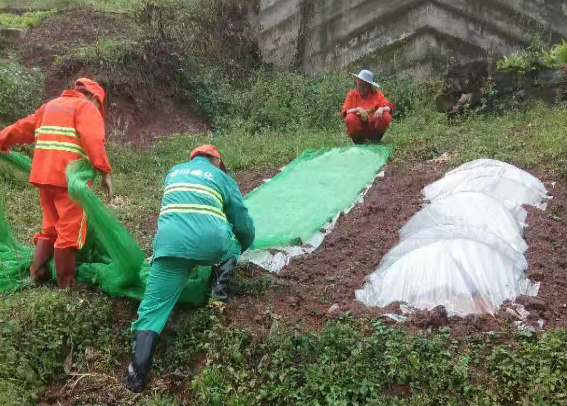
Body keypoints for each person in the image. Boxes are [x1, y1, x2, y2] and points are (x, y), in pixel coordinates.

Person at [124, 144, 255, 393]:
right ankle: (218, 292)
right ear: (216, 161)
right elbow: (242, 223)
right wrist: (242, 246)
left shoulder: (173, 172)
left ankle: (136, 376)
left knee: (152, 311)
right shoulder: (222, 177)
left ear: (192, 159)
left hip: (168, 246)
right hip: (210, 245)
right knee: (234, 241)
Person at [0, 78, 113, 288]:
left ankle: (38, 272)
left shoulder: (49, 107)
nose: (98, 110)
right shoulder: (85, 108)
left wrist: (2, 139)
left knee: (50, 226)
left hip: (43, 177)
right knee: (70, 228)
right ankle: (67, 282)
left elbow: (22, 127)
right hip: (68, 180)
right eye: (99, 106)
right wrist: (105, 171)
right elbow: (93, 139)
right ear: (94, 98)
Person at [340, 69, 395, 144]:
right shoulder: (351, 94)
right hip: (358, 130)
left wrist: (381, 108)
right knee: (350, 118)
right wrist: (357, 109)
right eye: (359, 84)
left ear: (370, 86)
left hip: (373, 129)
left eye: (364, 85)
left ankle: (376, 140)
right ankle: (357, 142)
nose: (361, 88)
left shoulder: (377, 94)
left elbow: (389, 107)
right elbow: (345, 111)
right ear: (357, 82)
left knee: (386, 115)